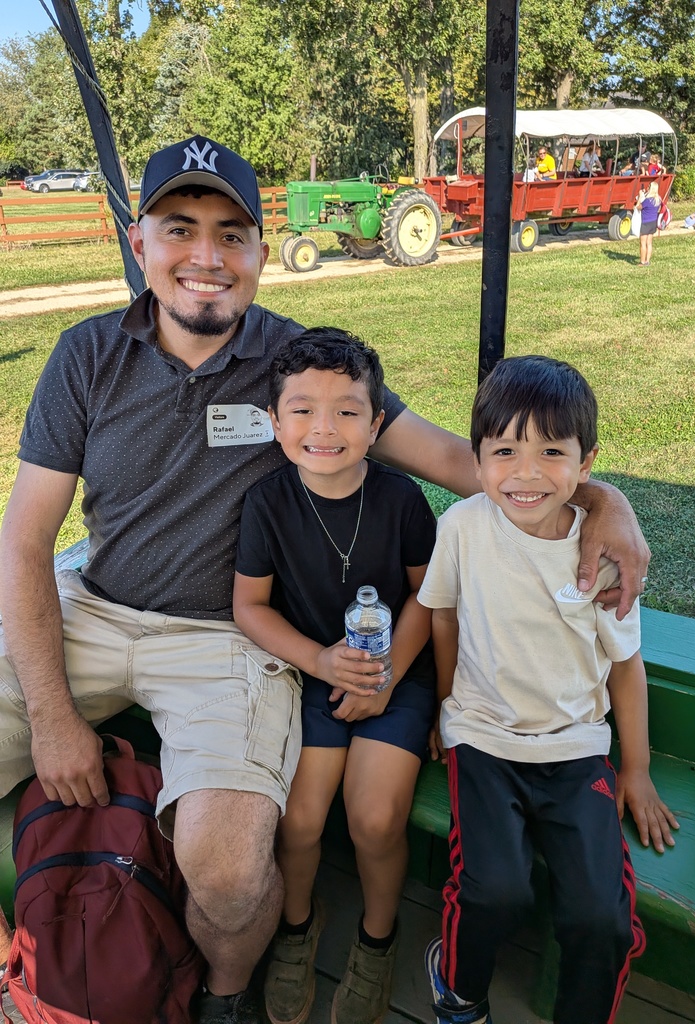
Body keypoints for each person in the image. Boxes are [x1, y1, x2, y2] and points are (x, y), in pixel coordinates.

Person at [0, 134, 649, 1023]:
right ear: (137, 239)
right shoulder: (86, 357)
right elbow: (28, 545)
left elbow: (475, 464)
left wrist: (608, 503)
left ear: (263, 253)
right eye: (180, 228)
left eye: (233, 234)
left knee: (230, 872)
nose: (207, 257)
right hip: (91, 608)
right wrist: (48, 713)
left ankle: (225, 997)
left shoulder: (300, 366)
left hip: (223, 640)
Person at [417, 355, 679, 1024]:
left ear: (587, 461)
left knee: (601, 916)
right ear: (477, 459)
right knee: (493, 890)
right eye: (504, 450)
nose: (526, 472)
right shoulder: (463, 528)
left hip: (576, 751)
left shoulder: (604, 553)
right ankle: (459, 992)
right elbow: (443, 615)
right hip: (483, 736)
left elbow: (626, 665)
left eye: (551, 452)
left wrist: (638, 769)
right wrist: (447, 709)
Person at [233, 327, 436, 1024]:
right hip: (315, 672)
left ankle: (378, 939)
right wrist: (322, 662)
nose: (325, 428)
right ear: (274, 424)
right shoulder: (266, 504)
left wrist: (387, 680)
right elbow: (249, 607)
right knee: (298, 821)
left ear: (377, 423)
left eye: (348, 411)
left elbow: (429, 600)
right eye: (302, 410)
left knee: (375, 819)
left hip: (399, 675)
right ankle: (297, 929)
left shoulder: (403, 500)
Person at [635, 180, 661, 266]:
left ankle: (642, 261)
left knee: (643, 243)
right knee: (649, 243)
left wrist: (640, 197)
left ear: (651, 189)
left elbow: (638, 207)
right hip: (653, 222)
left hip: (645, 222)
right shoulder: (658, 200)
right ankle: (647, 261)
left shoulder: (647, 201)